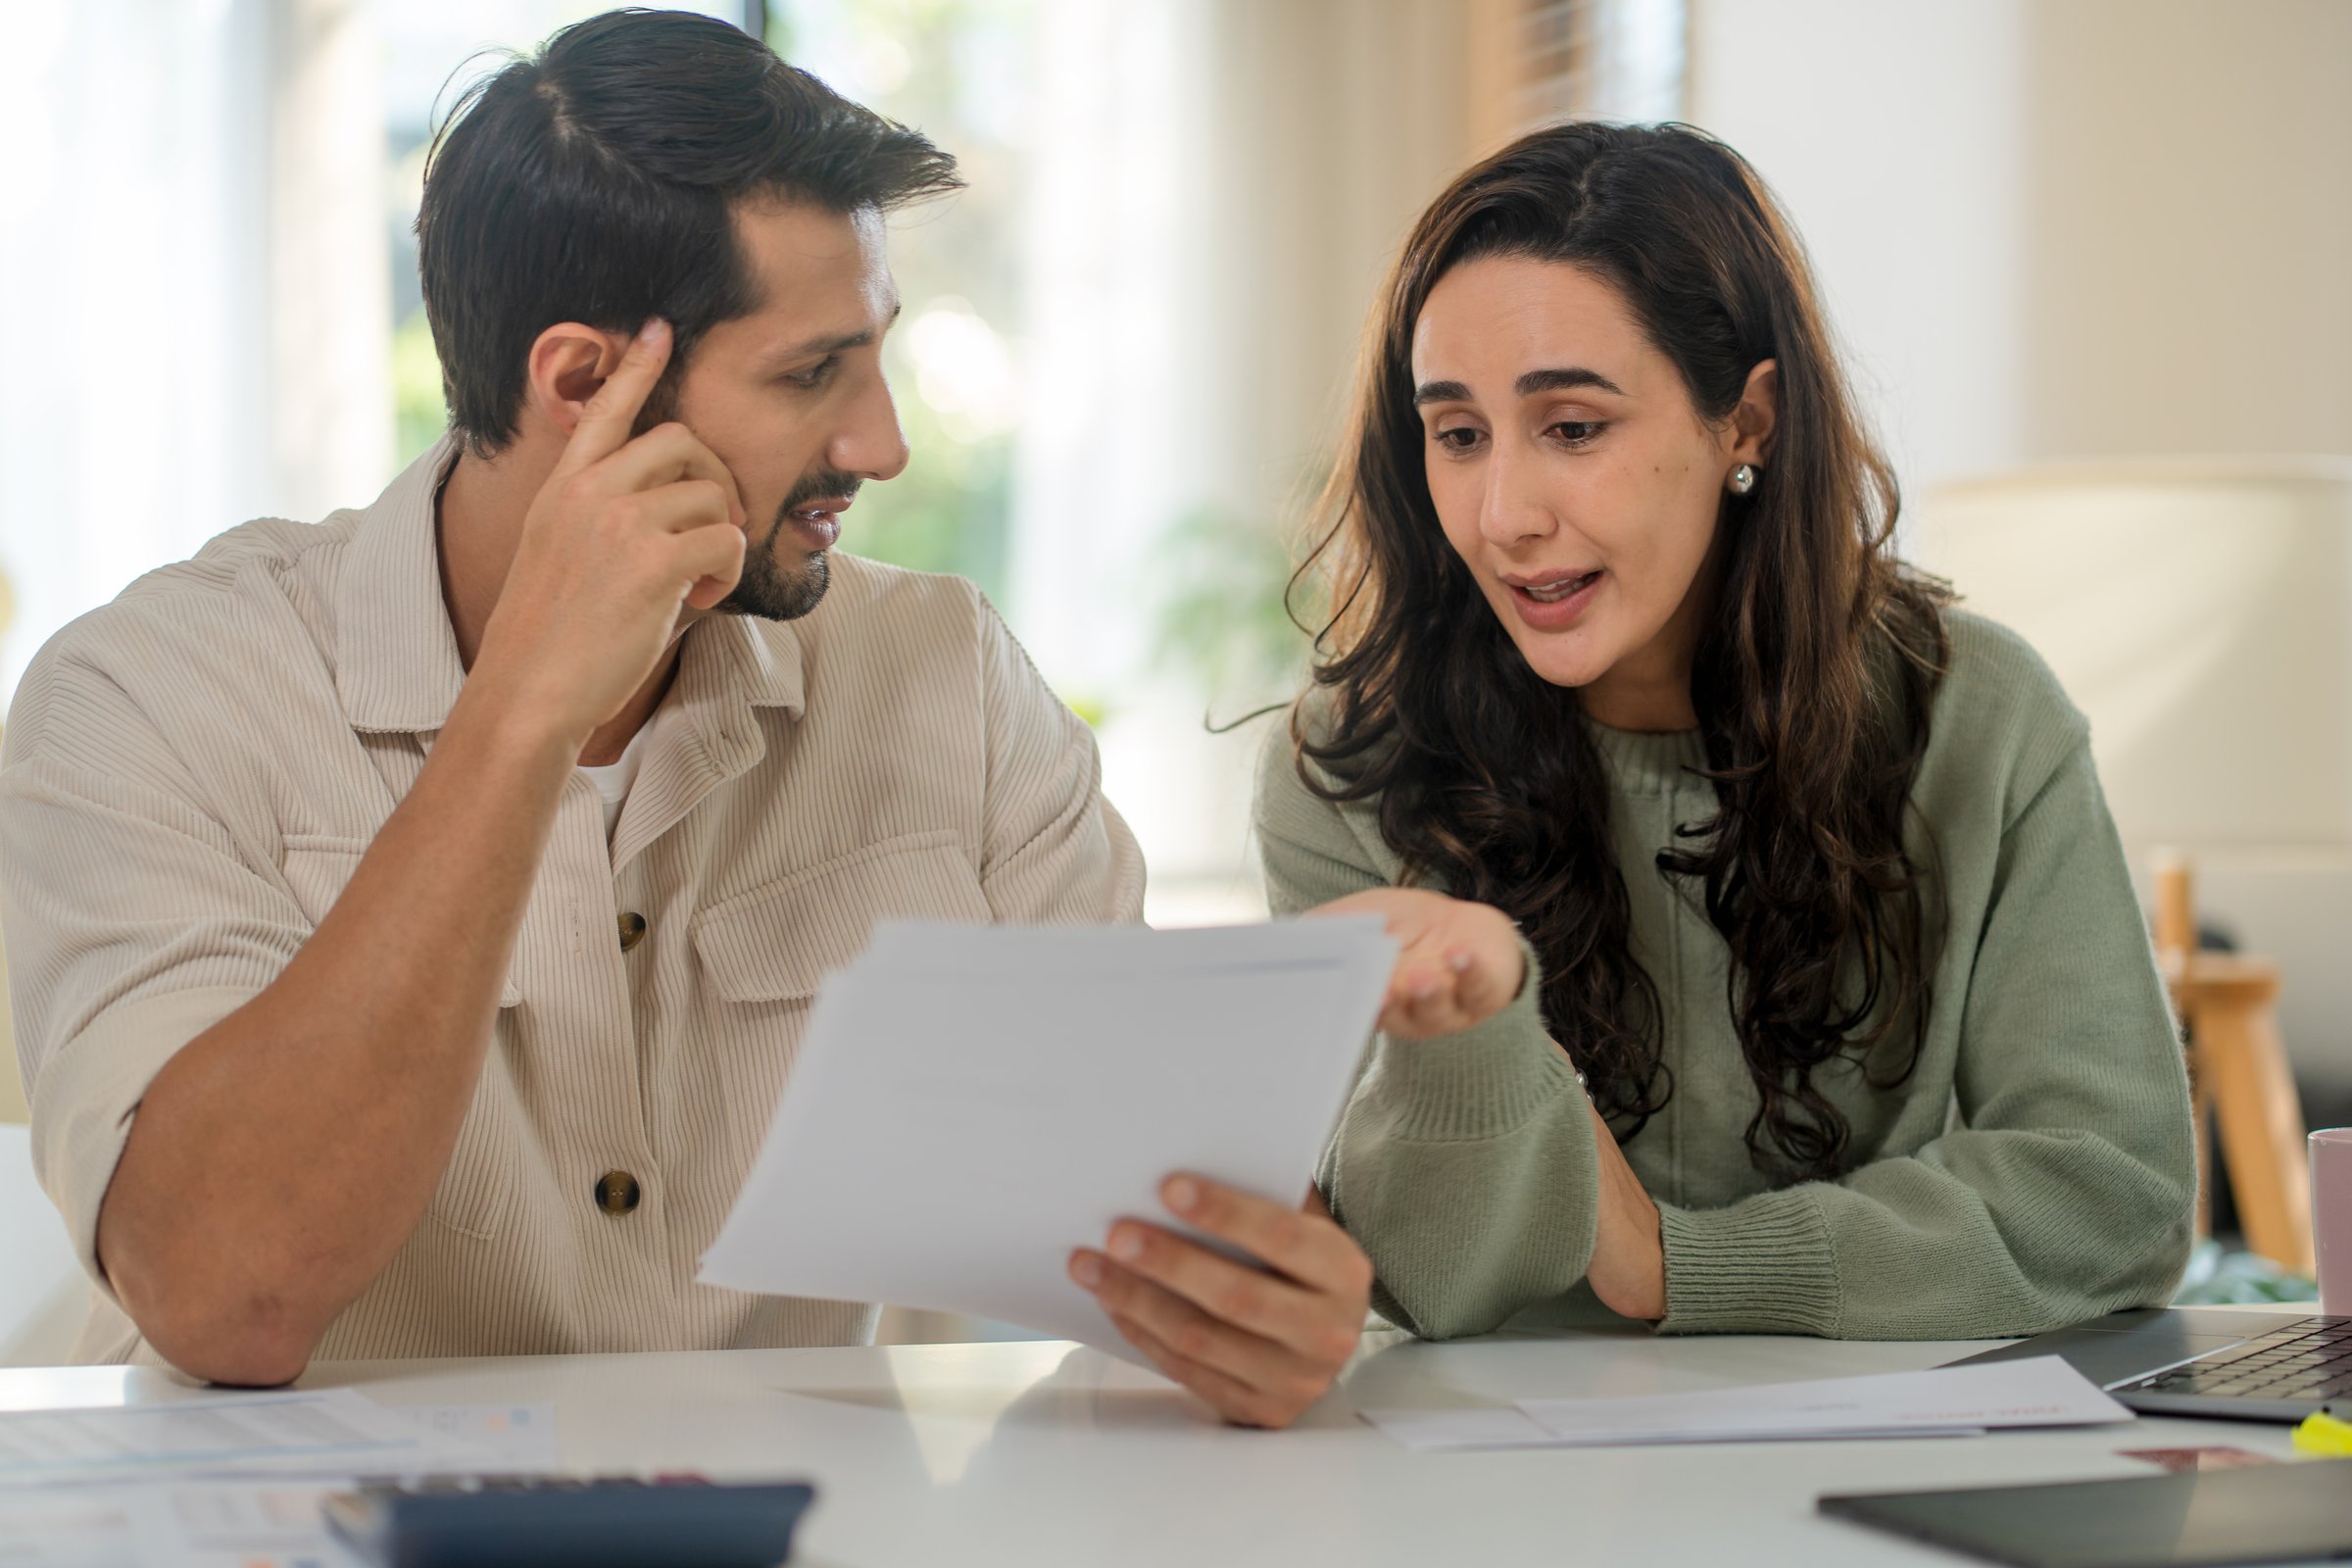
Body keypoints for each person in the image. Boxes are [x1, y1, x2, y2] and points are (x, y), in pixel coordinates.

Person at [0, 10, 1406, 1430]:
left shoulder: (945, 679)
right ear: (578, 386)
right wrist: (519, 721)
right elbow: (224, 1295)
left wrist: (1254, 1303)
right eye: (810, 375)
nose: (882, 445)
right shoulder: (149, 697)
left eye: (876, 357)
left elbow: (1157, 1212)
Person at [1256, 122, 2197, 1342]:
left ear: (1745, 423)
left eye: (1575, 428)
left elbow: (2110, 1199)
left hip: (1874, 1473)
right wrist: (1472, 1029)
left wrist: (1681, 1265)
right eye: (1459, 434)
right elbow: (1427, 1283)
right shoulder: (1348, 765)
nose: (1503, 516)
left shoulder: (1980, 716)